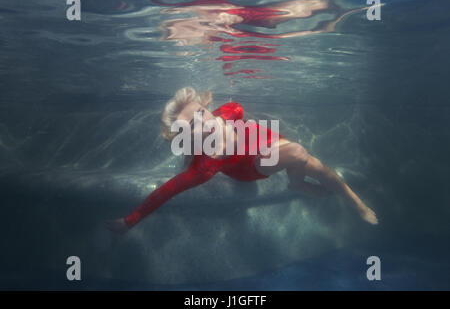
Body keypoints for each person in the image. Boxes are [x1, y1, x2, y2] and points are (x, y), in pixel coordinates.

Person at [106, 87, 378, 234]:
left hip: (265, 138)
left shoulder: (223, 115)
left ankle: (319, 190)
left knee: (312, 163)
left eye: (201, 112)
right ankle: (339, 197)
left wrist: (224, 116)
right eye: (193, 124)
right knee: (299, 153)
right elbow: (167, 191)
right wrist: (131, 220)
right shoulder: (206, 165)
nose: (204, 120)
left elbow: (236, 107)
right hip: (250, 165)